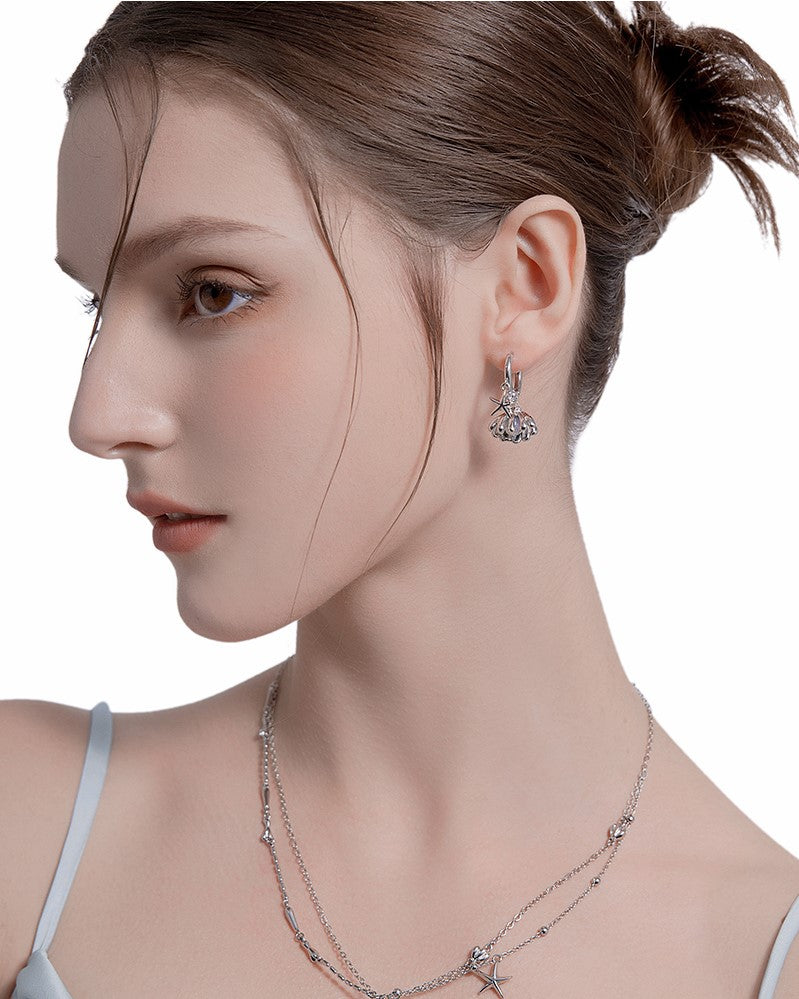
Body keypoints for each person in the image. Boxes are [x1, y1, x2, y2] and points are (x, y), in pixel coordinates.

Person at [3, 2, 798, 996]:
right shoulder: (28, 837)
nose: (97, 414)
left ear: (525, 286)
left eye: (212, 291)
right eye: (97, 304)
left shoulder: (759, 961)